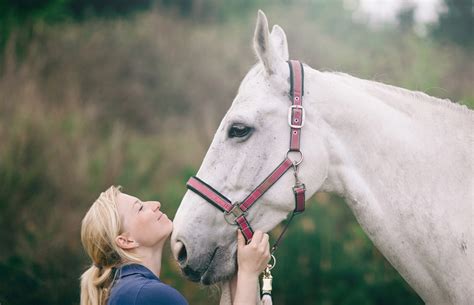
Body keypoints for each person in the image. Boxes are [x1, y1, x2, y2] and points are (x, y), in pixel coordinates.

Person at [80, 186, 270, 305]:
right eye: (140, 208)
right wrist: (248, 273)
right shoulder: (148, 295)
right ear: (125, 241)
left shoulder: (126, 292)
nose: (155, 204)